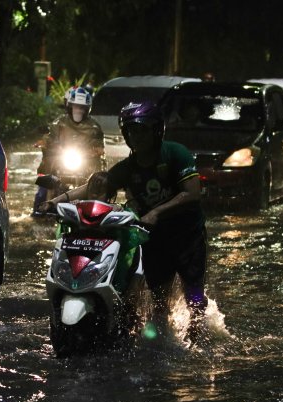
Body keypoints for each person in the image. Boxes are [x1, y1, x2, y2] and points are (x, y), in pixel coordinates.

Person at [39, 101, 208, 343]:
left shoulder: (175, 154)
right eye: (130, 131)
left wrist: (157, 213)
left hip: (187, 236)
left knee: (194, 296)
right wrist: (55, 202)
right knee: (159, 300)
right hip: (153, 238)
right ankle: (163, 344)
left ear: (156, 130)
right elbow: (93, 187)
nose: (135, 137)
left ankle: (199, 343)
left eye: (141, 130)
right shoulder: (128, 168)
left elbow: (192, 193)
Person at [32, 86, 105, 214]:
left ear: (87, 109)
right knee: (44, 185)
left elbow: (99, 146)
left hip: (86, 164)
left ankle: (98, 211)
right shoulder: (59, 122)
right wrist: (46, 143)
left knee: (98, 184)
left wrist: (94, 151)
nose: (78, 110)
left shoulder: (94, 127)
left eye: (82, 107)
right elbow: (50, 137)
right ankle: (39, 212)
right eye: (76, 106)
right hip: (62, 162)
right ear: (70, 106)